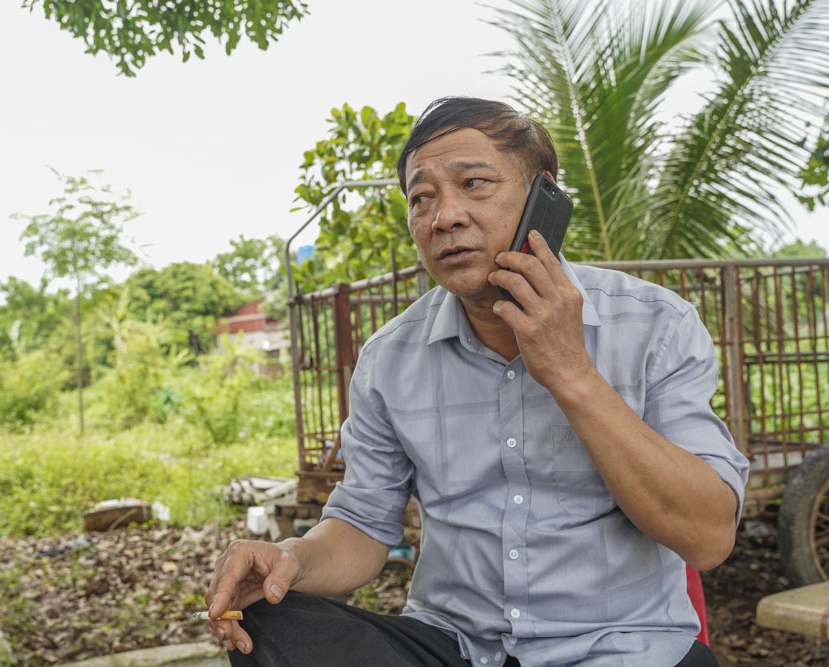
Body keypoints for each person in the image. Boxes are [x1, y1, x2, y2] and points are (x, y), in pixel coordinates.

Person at [204, 97, 750, 666]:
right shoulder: (390, 359)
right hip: (453, 646)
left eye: (475, 183)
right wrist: (290, 557)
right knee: (268, 621)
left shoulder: (654, 325)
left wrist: (571, 373)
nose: (446, 217)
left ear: (545, 197)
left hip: (619, 646)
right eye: (422, 198)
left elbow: (708, 538)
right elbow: (362, 527)